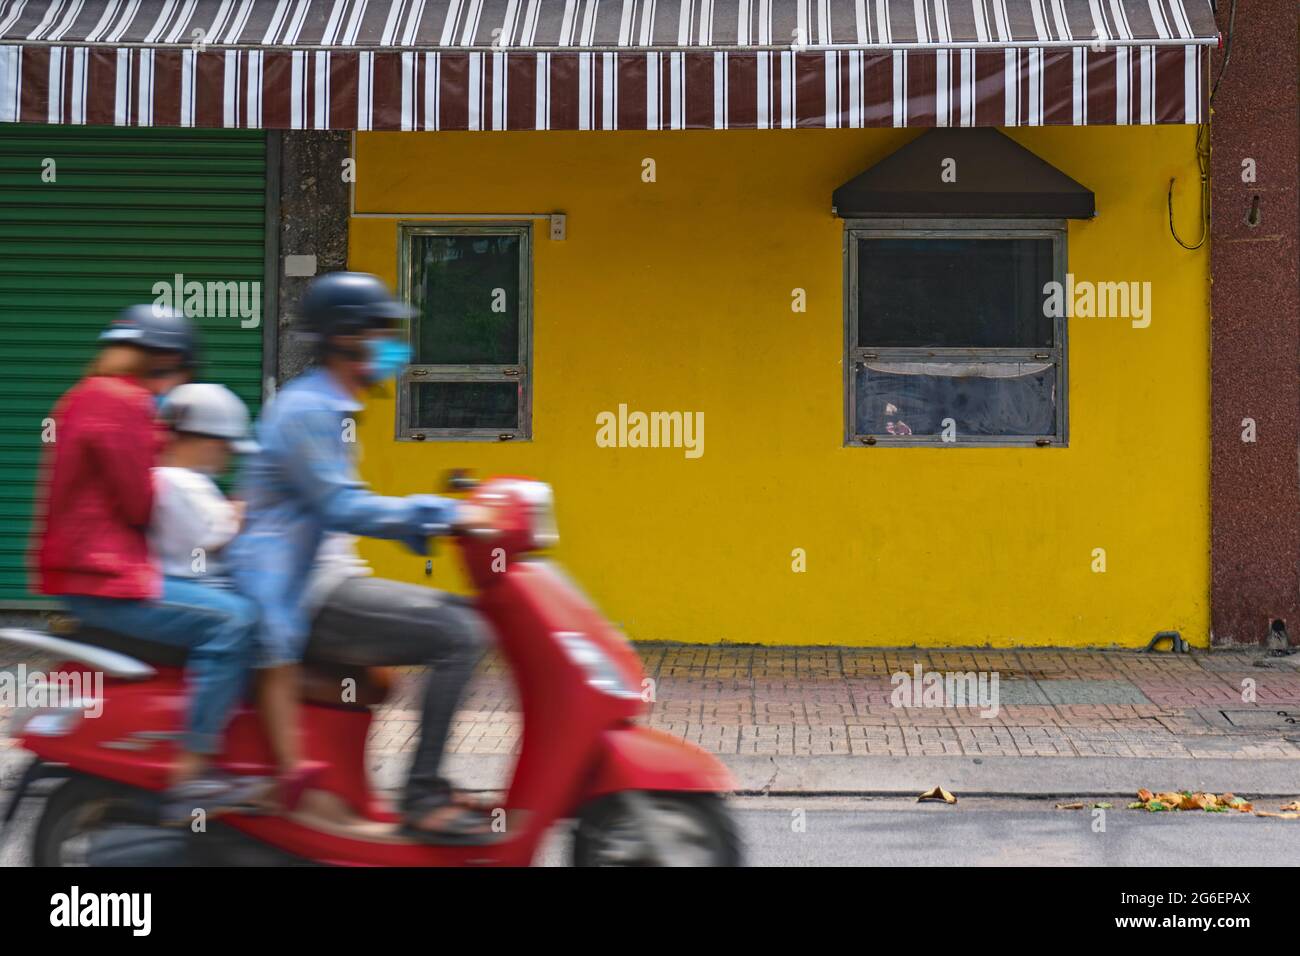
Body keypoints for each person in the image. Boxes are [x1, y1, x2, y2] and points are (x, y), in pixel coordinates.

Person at [230, 272, 496, 844]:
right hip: (303, 593)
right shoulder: (307, 411)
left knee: (461, 622)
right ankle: (422, 796)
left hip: (321, 580)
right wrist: (443, 517)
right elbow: (341, 505)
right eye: (381, 332)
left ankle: (371, 791)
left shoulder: (332, 407)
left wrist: (447, 517)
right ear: (346, 339)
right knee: (460, 631)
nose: (391, 347)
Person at [33, 306, 263, 821]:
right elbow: (141, 502)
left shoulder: (84, 394)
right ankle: (193, 771)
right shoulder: (125, 401)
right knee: (234, 621)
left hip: (85, 572)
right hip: (102, 575)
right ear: (166, 361)